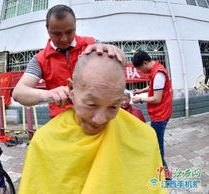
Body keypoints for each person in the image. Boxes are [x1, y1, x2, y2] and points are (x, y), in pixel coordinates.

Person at [19, 52, 166, 193]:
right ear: (71, 89)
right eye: (91, 104)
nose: (100, 119)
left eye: (113, 106)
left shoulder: (144, 137)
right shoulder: (44, 143)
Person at [12, 4, 126, 118]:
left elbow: (121, 62)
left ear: (75, 25)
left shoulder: (92, 45)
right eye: (57, 34)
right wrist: (48, 94)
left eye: (69, 32)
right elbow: (18, 93)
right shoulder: (40, 59)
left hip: (98, 116)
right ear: (47, 29)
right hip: (63, 121)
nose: (64, 39)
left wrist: (115, 51)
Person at [131, 50, 172, 168]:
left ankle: (164, 172)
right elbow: (153, 86)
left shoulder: (158, 74)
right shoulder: (156, 71)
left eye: (139, 68)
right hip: (161, 112)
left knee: (158, 144)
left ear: (144, 63)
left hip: (160, 115)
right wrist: (141, 91)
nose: (140, 71)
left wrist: (140, 99)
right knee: (156, 141)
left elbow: (157, 99)